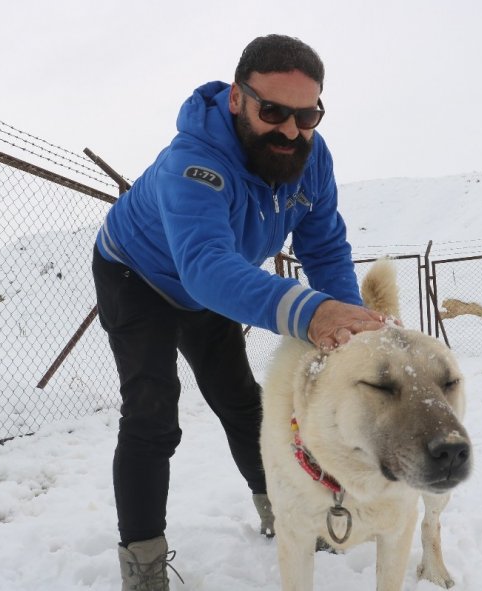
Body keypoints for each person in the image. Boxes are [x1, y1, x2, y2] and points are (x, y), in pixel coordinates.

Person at [91, 34, 386, 590]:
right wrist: (312, 312)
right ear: (236, 98)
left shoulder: (312, 156)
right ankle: (143, 565)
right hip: (138, 274)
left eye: (307, 115)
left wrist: (346, 318)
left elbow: (323, 248)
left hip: (216, 283)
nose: (291, 130)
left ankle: (281, 510)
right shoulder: (194, 159)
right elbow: (203, 263)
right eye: (273, 111)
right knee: (153, 414)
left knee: (241, 403)